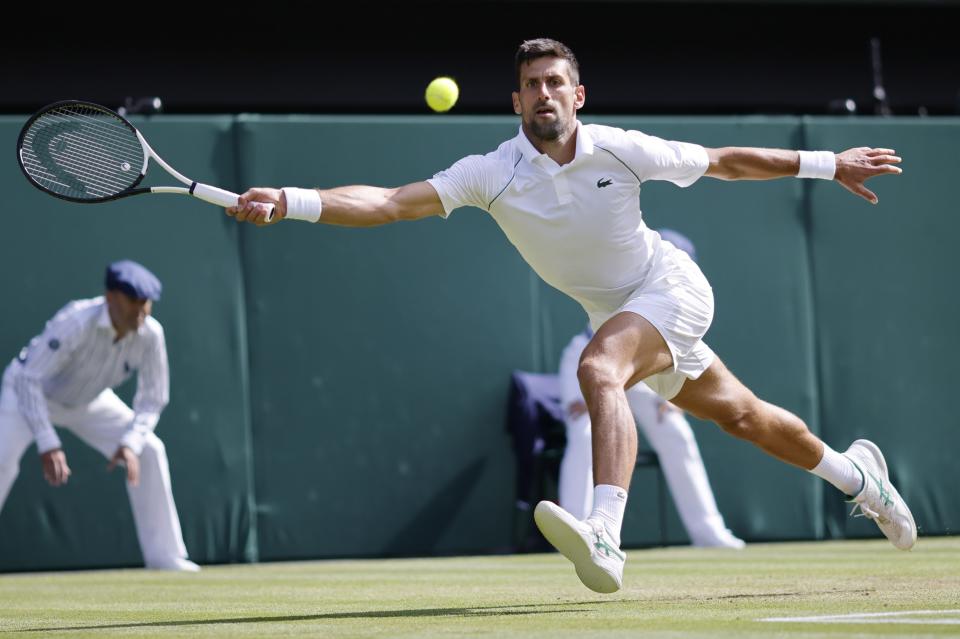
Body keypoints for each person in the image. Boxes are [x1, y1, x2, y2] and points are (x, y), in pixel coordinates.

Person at [226, 38, 914, 593]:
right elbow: (387, 202)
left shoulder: (620, 146)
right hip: (620, 309)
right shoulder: (490, 171)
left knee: (598, 366)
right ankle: (860, 476)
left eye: (557, 82)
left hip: (669, 286)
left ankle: (605, 534)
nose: (545, 93)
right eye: (533, 84)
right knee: (744, 416)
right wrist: (291, 198)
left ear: (577, 95)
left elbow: (723, 161)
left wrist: (829, 163)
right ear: (517, 100)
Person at [0, 260, 199, 572]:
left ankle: (166, 557)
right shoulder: (76, 321)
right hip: (28, 395)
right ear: (111, 298)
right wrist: (47, 440)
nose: (141, 311)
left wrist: (131, 442)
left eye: (146, 302)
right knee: (2, 460)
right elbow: (28, 379)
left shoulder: (151, 335)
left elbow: (152, 398)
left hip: (88, 401)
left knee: (149, 450)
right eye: (133, 301)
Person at [559, 230, 743, 549]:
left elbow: (676, 338)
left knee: (675, 430)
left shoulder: (681, 291)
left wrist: (674, 396)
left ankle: (709, 531)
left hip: (646, 360)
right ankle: (575, 530)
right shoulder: (628, 266)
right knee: (584, 431)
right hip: (592, 356)